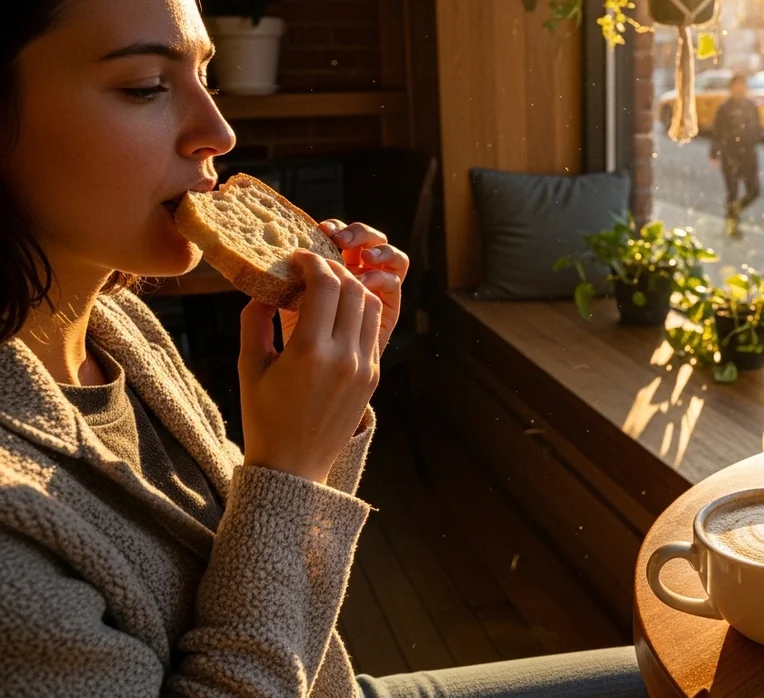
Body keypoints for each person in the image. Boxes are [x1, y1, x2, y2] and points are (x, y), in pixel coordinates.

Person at [0, 2, 646, 697]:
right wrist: (290, 468)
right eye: (145, 86)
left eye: (205, 76)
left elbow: (268, 570)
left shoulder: (115, 326)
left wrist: (321, 415)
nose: (218, 131)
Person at [709, 73, 764, 237]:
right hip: (730, 155)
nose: (740, 89)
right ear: (731, 88)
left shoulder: (751, 106)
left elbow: (756, 130)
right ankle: (732, 224)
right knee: (732, 192)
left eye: (742, 85)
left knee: (754, 191)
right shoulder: (724, 108)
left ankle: (733, 212)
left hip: (748, 156)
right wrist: (714, 152)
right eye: (736, 85)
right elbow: (717, 132)